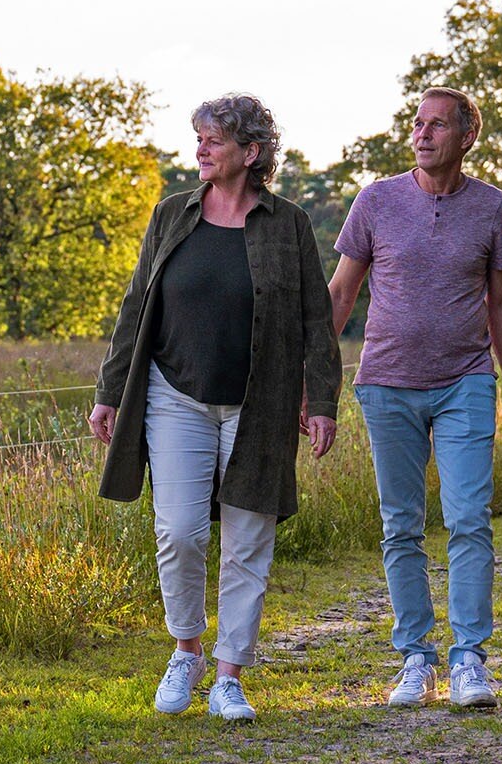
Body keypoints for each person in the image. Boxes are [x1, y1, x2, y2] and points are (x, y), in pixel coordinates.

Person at [91, 93, 342, 722]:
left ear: (250, 153)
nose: (199, 149)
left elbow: (317, 319)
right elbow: (135, 307)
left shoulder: (288, 225)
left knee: (246, 541)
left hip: (262, 404)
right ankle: (186, 651)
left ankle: (230, 675)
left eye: (213, 140)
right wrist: (110, 391)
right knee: (178, 532)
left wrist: (323, 400)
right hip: (175, 396)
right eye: (198, 137)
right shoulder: (171, 215)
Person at [327, 86, 502, 711]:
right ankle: (415, 659)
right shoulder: (376, 201)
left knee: (469, 518)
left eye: (437, 125)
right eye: (417, 123)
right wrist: (311, 382)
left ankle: (470, 658)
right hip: (386, 382)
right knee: (401, 526)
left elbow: (500, 301)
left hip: (466, 381)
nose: (422, 133)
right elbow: (340, 293)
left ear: (466, 136)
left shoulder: (492, 206)